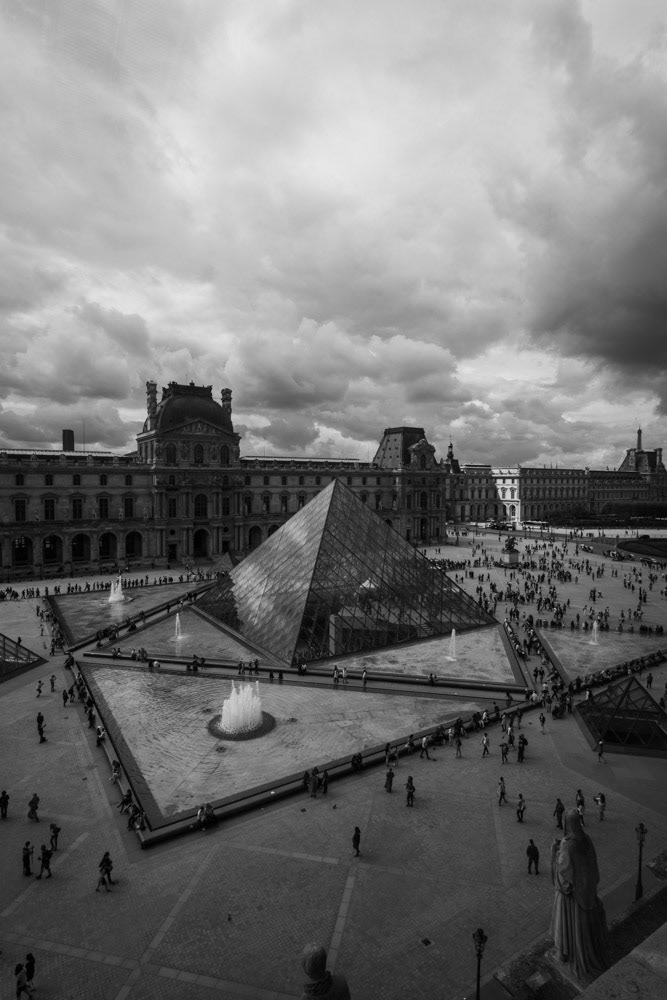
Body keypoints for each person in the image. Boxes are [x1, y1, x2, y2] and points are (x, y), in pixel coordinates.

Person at [550, 808, 610, 980]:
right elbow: (592, 865)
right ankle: (583, 952)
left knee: (567, 925)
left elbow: (562, 877)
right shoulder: (586, 840)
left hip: (571, 897)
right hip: (587, 892)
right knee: (583, 930)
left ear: (567, 824)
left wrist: (554, 852)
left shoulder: (567, 845)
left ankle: (565, 953)